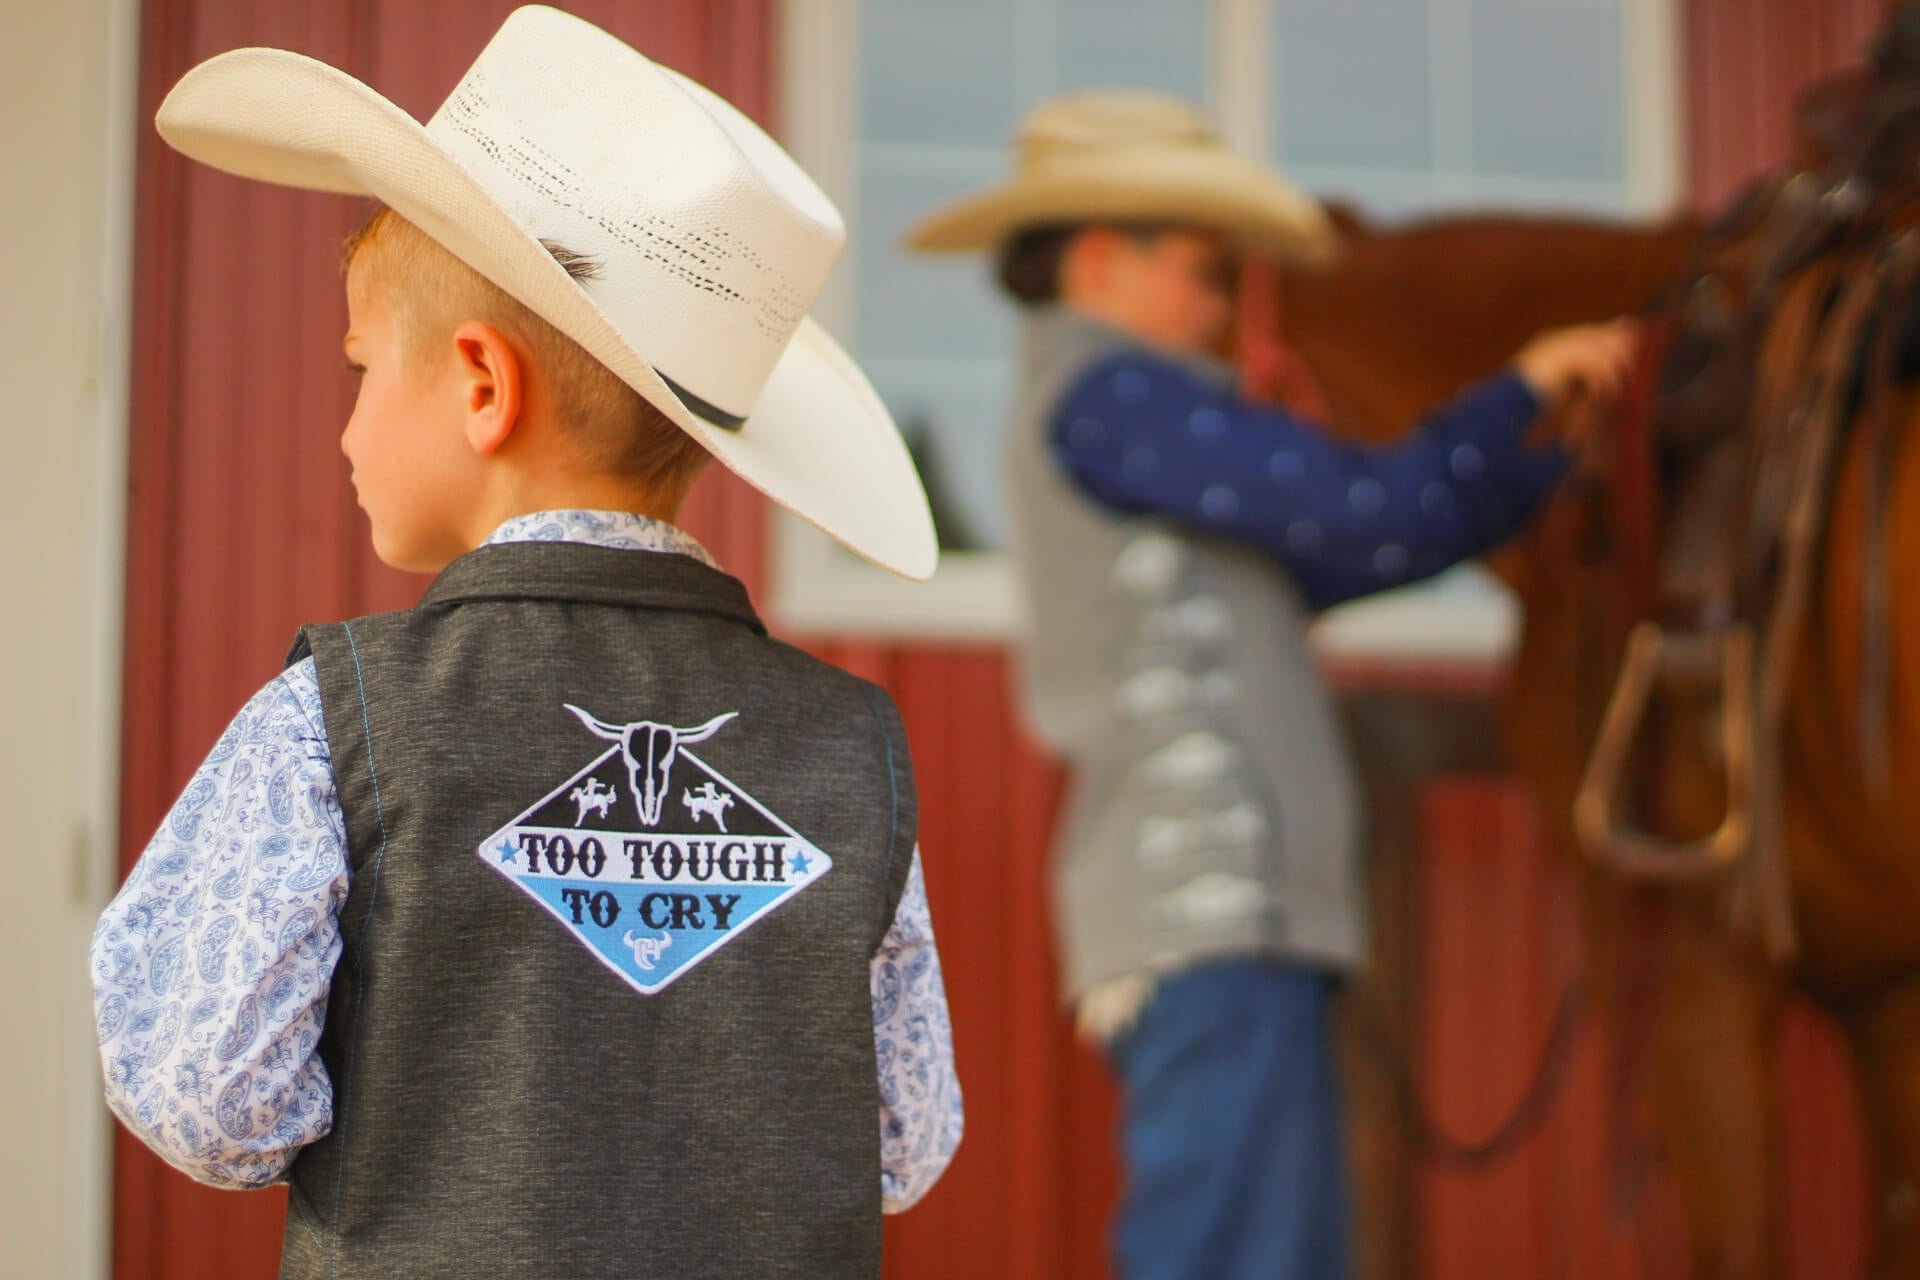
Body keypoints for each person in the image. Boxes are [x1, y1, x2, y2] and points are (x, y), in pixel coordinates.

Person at [90, 10, 960, 1278]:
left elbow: (205, 1096)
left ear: (483, 385)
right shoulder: (851, 746)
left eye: (360, 368)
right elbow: (903, 1136)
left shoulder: (339, 718)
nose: (345, 427)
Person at [905, 91, 1635, 1280]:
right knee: (1229, 1253)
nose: (1218, 310)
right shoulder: (1116, 397)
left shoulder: (1132, 423)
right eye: (1204, 271)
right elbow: (1372, 506)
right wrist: (1518, 394)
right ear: (1100, 259)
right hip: (1214, 909)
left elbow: (1380, 534)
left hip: (1235, 916)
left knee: (1268, 1250)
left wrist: (1533, 450)